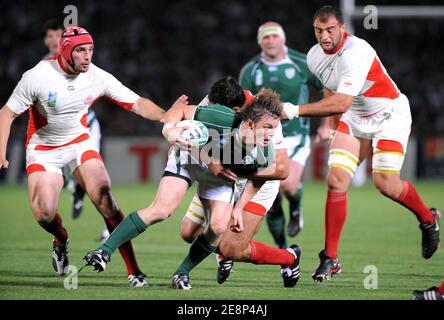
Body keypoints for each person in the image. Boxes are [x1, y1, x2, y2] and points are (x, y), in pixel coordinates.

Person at [280, 5, 441, 282]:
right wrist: (332, 126)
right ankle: (330, 259)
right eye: (319, 30)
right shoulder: (314, 56)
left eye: (330, 29)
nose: (325, 36)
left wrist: (295, 109)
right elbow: (329, 87)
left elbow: (341, 101)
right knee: (336, 180)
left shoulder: (357, 51)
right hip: (355, 118)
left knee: (385, 184)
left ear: (342, 27)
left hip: (388, 114)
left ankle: (428, 218)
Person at [84, 89, 301, 290]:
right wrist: (170, 130)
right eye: (268, 128)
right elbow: (179, 111)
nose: (272, 135)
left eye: (274, 128)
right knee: (167, 215)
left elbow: (260, 179)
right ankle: (104, 251)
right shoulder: (221, 117)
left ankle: (183, 273)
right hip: (191, 160)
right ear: (251, 123)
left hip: (223, 177)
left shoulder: (265, 150)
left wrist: (238, 208)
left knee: (220, 233)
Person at [0, 26, 166, 287]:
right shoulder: (38, 76)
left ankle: (134, 271)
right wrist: (1, 152)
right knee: (44, 213)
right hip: (44, 149)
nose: (88, 56)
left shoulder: (96, 76)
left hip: (79, 143)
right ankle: (61, 239)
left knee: (105, 198)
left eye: (90, 50)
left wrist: (166, 116)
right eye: (80, 51)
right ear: (66, 51)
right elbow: (6, 113)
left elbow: (137, 103)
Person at [178, 77, 301, 286]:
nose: (221, 116)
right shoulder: (212, 104)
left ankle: (290, 258)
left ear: (240, 109)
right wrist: (210, 162)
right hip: (222, 174)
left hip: (257, 182)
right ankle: (222, 252)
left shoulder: (266, 121)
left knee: (232, 248)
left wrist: (239, 180)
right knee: (188, 232)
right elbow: (188, 131)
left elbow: (281, 169)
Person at [239, 21, 330, 250]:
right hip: (264, 137)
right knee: (271, 197)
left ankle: (296, 207)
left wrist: (325, 125)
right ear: (260, 42)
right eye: (266, 37)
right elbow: (241, 105)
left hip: (296, 133)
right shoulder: (251, 70)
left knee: (287, 185)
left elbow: (327, 88)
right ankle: (282, 247)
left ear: (283, 39)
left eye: (274, 36)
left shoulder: (302, 63)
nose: (270, 41)